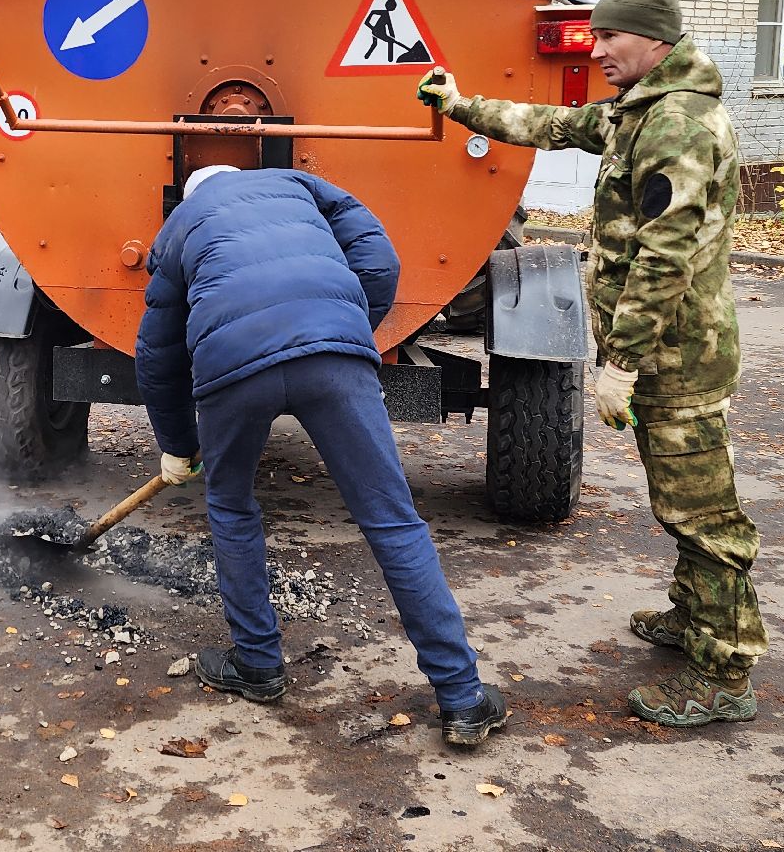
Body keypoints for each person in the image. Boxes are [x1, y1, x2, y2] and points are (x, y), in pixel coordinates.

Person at [417, 0, 765, 727]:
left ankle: (726, 671)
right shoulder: (642, 112)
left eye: (611, 38)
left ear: (655, 42)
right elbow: (554, 124)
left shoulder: (676, 127)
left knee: (704, 514)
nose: (598, 50)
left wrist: (624, 362)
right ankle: (691, 617)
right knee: (679, 504)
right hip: (666, 353)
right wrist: (460, 105)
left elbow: (664, 257)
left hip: (678, 355)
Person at [135, 164, 507, 747]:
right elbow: (380, 260)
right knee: (392, 519)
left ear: (194, 194)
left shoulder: (181, 224)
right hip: (334, 352)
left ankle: (258, 665)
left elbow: (156, 354)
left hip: (232, 367)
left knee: (231, 507)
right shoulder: (299, 184)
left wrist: (178, 446)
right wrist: (352, 332)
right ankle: (462, 697)